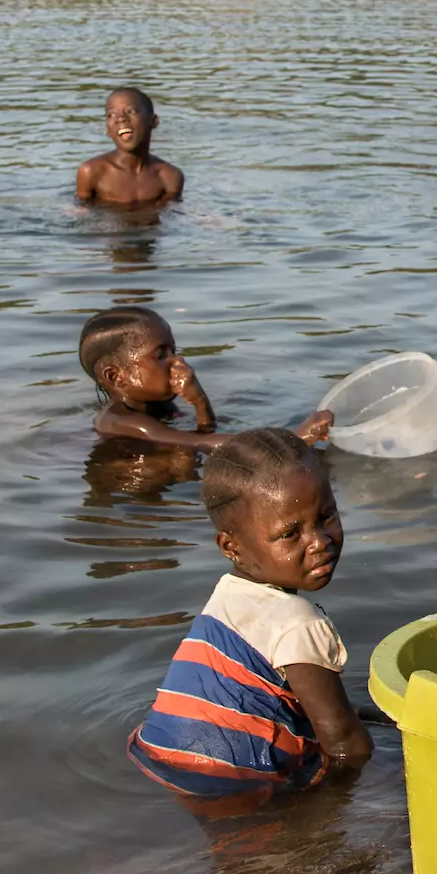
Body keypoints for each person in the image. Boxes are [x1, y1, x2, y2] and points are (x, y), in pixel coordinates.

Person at [126, 428, 373, 806]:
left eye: (326, 516)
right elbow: (344, 742)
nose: (319, 541)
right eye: (291, 533)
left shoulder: (228, 594)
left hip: (158, 751)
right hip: (231, 784)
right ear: (232, 546)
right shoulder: (299, 623)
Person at [78, 305, 332, 450]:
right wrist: (294, 440)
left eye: (173, 350)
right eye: (160, 355)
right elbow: (204, 444)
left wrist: (199, 401)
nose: (178, 362)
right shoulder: (123, 422)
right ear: (116, 376)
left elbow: (206, 432)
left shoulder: (157, 405)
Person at [75, 87, 182, 206]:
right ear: (108, 130)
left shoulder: (169, 176)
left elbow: (172, 214)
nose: (120, 118)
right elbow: (81, 211)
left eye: (131, 111)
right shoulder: (92, 172)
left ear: (153, 121)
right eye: (111, 114)